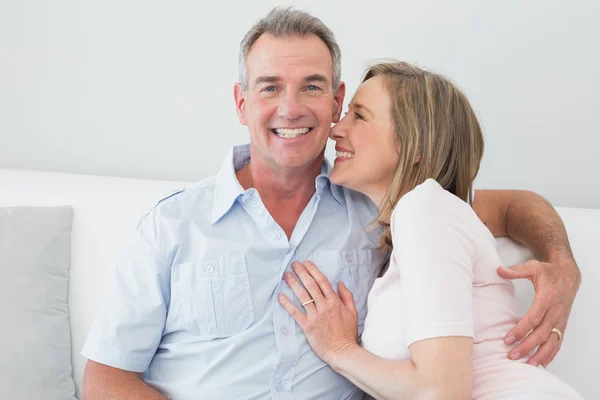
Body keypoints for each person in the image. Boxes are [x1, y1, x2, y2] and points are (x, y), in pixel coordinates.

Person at [81, 7, 581, 399]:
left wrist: (561, 261)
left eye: (312, 87)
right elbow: (104, 379)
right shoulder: (173, 225)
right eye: (270, 87)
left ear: (336, 102)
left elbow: (513, 206)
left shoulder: (389, 205)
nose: (291, 107)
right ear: (242, 103)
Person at [279, 61, 584, 399]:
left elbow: (440, 391)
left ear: (416, 144)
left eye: (360, 116)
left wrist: (338, 348)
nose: (336, 129)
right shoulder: (426, 216)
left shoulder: (424, 208)